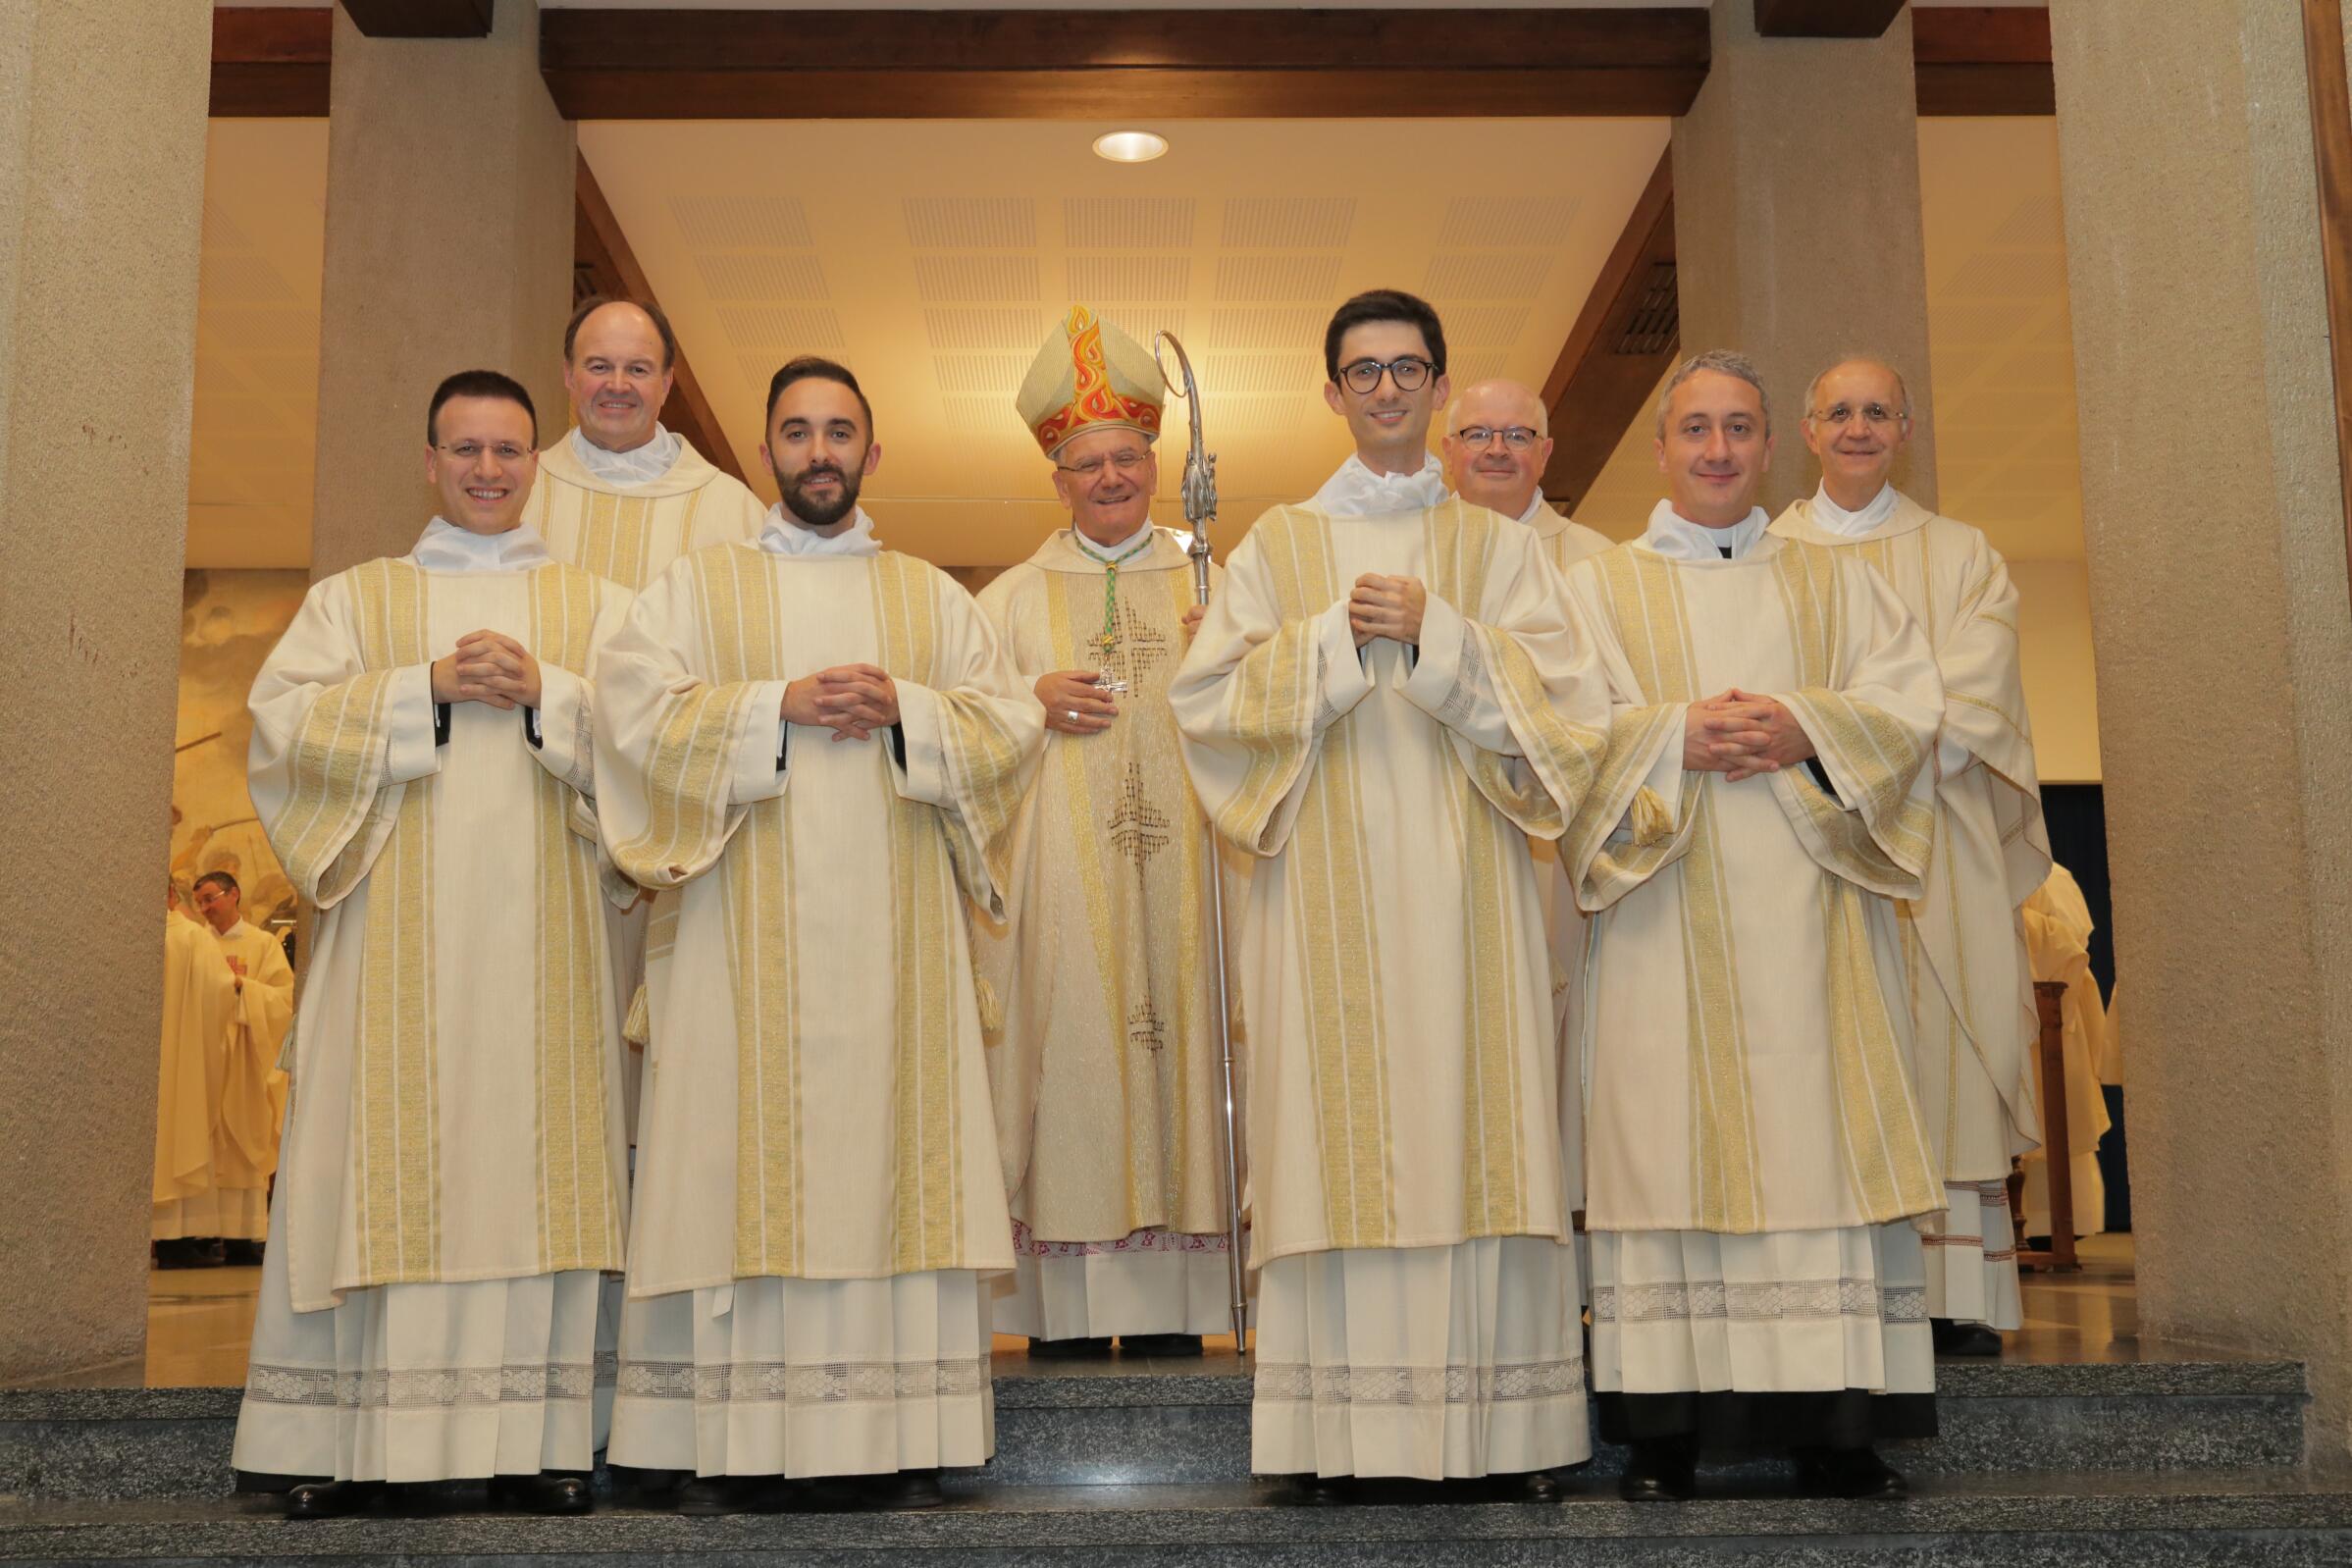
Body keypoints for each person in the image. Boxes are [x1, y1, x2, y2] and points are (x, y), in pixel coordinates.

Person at [1169, 298, 1610, 1498]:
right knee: (1335, 1143)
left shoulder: (1499, 547)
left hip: (1472, 902)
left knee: (1477, 1133)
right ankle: (1337, 1439)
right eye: (1360, 370)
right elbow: (1205, 704)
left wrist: (1442, 636)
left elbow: (1570, 714)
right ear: (1330, 392)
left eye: (1405, 367)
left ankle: (1500, 1436)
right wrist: (1330, 644)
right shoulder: (1277, 545)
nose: (1383, 388)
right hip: (1322, 906)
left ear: (1438, 382)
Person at [598, 357, 1044, 1513]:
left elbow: (1006, 729)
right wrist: (772, 706)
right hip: (740, 947)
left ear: (872, 454)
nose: (819, 452)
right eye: (796, 432)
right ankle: (734, 1431)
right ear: (765, 452)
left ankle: (898, 1425)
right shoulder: (696, 588)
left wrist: (912, 711)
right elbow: (632, 714)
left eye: (840, 432)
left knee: (892, 1154)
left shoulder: (932, 596)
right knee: (736, 1155)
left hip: (900, 946)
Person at [231, 371, 632, 1519]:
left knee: (529, 1159)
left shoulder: (597, 606)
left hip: (543, 953)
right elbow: (281, 725)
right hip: (388, 954)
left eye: (509, 449)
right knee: (376, 1155)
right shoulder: (356, 602)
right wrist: (426, 689)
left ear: (535, 461)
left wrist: (552, 693)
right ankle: (349, 1436)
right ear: (429, 459)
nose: (490, 469)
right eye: (467, 449)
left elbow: (650, 744)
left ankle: (537, 1436)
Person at [1559, 350, 1946, 1501]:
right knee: (1664, 1144)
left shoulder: (1837, 582)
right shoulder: (1599, 588)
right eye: (1696, 430)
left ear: (1772, 447)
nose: (1718, 449)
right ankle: (1663, 1433)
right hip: (1661, 916)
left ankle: (1839, 1428)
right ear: (1663, 449)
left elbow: (1908, 700)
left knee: (1818, 1150)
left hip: (1813, 914)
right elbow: (1559, 726)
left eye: (1738, 429)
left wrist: (1803, 725)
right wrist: (1670, 734)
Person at [1767, 355, 2052, 1357]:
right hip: (1802, 837)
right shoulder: (1763, 552)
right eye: (1837, 410)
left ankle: (1950, 1292)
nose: (1856, 427)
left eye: (1875, 411)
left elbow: (1971, 696)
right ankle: (1836, 1287)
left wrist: (1838, 729)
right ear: (1807, 431)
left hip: (1940, 839)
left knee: (1944, 1047)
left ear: (1906, 428)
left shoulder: (1961, 553)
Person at [974, 306, 1234, 1359]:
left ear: (1157, 459)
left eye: (1129, 454)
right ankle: (1070, 1323)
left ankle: (1179, 1312)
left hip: (1193, 896)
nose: (1113, 476)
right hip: (1061, 912)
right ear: (1058, 477)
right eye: (1089, 462)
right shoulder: (1003, 602)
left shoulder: (1220, 586)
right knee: (1071, 1060)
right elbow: (958, 727)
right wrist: (1019, 697)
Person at [521, 296, 767, 1134]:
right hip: (541, 814)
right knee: (553, 1050)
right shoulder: (516, 490)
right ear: (566, 377)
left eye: (636, 368)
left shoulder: (730, 509)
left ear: (667, 383)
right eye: (598, 365)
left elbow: (752, 660)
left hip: (680, 827)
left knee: (676, 1063)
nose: (616, 385)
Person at [1440, 378, 1614, 1292]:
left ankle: (1579, 1281)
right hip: (1451, 848)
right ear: (1447, 451)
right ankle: (1482, 1269)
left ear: (1547, 453)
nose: (1497, 449)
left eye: (1519, 434)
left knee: (1571, 1052)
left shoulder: (1599, 565)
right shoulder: (1417, 553)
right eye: (1476, 433)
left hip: (1567, 857)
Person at [190, 870, 295, 1262]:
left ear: (234, 895)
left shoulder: (263, 944)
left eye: (210, 898)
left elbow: (284, 1000)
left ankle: (243, 1236)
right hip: (205, 1058)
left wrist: (241, 988)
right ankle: (201, 1234)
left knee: (241, 1144)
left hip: (246, 1061)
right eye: (199, 901)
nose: (205, 908)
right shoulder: (195, 943)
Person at [2020, 865, 2112, 1241]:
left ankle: (2056, 1227)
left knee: (2053, 1121)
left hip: (2053, 1016)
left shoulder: (2050, 875)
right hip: (2024, 1014)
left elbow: (2069, 943)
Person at [1306, 288, 1454, 517]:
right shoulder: (1279, 542)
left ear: (1440, 391)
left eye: (1407, 369)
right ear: (1335, 397)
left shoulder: (1494, 540)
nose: (1388, 392)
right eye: (1365, 371)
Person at [155, 883, 237, 1269]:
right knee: (181, 1129)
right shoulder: (192, 938)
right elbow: (220, 992)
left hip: (149, 1070)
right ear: (172, 895)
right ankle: (179, 1240)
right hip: (183, 1061)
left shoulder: (126, 935)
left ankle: (159, 1240)